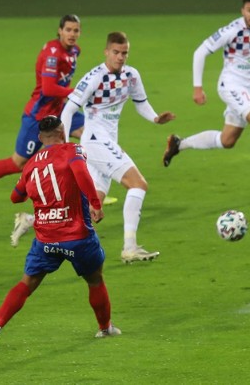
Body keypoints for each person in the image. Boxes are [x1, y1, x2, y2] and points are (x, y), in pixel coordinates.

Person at [0, 116, 120, 348]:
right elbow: (80, 172)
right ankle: (105, 328)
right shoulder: (72, 150)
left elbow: (15, 197)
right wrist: (96, 205)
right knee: (95, 279)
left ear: (40, 138)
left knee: (27, 283)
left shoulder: (30, 164)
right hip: (77, 236)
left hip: (46, 238)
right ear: (63, 132)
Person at [162, 0, 250, 199]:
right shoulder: (232, 30)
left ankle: (179, 144)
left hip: (248, 90)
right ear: (243, 11)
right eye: (249, 10)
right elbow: (200, 52)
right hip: (231, 86)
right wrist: (197, 87)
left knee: (227, 140)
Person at [60, 31, 175, 264]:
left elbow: (141, 104)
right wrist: (62, 146)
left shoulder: (132, 76)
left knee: (93, 207)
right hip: (94, 141)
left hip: (107, 141)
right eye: (116, 52)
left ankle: (32, 222)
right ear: (106, 52)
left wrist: (155, 118)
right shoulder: (95, 77)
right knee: (138, 184)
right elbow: (69, 110)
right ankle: (130, 247)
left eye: (124, 53)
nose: (120, 57)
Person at [0, 15, 86, 210]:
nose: (72, 34)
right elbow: (48, 89)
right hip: (40, 115)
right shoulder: (53, 54)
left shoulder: (75, 51)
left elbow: (62, 83)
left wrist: (68, 98)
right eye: (68, 30)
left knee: (91, 136)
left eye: (76, 30)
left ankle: (96, 189)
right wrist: (75, 92)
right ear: (59, 31)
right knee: (18, 163)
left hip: (61, 110)